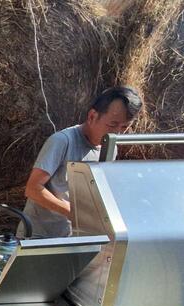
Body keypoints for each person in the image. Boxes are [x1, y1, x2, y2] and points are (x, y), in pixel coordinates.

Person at [23, 86, 143, 237]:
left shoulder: (111, 149)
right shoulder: (62, 141)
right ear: (92, 116)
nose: (118, 132)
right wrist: (74, 214)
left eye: (124, 127)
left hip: (73, 238)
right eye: (112, 125)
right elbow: (33, 189)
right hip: (38, 236)